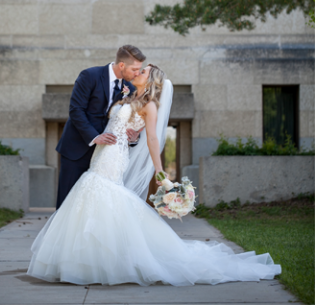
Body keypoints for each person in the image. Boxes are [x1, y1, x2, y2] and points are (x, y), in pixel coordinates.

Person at [28, 65, 282, 286]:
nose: (138, 71)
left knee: (99, 191)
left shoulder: (149, 105)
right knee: (95, 193)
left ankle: (107, 262)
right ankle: (92, 262)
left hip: (114, 156)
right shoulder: (126, 95)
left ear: (152, 80)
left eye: (144, 70)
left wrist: (161, 173)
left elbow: (152, 138)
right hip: (103, 151)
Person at [54, 45, 145, 209]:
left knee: (96, 206)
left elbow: (126, 121)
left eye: (139, 70)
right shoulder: (89, 75)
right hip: (78, 149)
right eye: (134, 69)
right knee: (67, 204)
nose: (137, 73)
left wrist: (133, 138)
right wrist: (95, 137)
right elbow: (76, 110)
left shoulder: (130, 89)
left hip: (105, 158)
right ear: (122, 65)